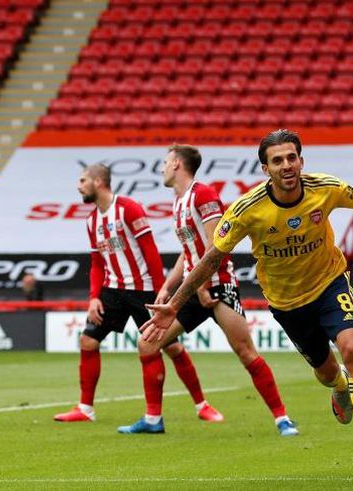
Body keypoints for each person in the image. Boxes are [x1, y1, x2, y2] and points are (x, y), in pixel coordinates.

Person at [139, 129, 353, 478]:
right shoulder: (247, 210)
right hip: (287, 302)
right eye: (277, 160)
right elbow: (211, 257)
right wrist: (174, 304)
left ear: (301, 161)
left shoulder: (324, 187)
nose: (286, 165)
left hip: (330, 284)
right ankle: (340, 387)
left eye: (291, 157)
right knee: (326, 373)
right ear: (265, 169)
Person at [117, 144, 298, 437]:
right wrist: (166, 287)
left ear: (176, 163)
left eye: (165, 162)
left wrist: (202, 285)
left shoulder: (204, 195)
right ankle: (152, 420)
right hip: (193, 291)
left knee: (245, 352)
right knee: (148, 343)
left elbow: (217, 244)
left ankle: (282, 419)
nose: (162, 168)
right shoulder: (179, 202)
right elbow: (188, 251)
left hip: (218, 287)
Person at [54, 164, 223, 424]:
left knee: (171, 346)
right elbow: (98, 263)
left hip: (142, 290)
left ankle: (202, 405)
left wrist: (159, 291)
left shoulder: (128, 208)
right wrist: (94, 298)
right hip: (112, 291)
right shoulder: (92, 221)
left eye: (83, 180)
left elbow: (151, 252)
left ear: (98, 182)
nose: (79, 186)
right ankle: (85, 409)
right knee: (88, 341)